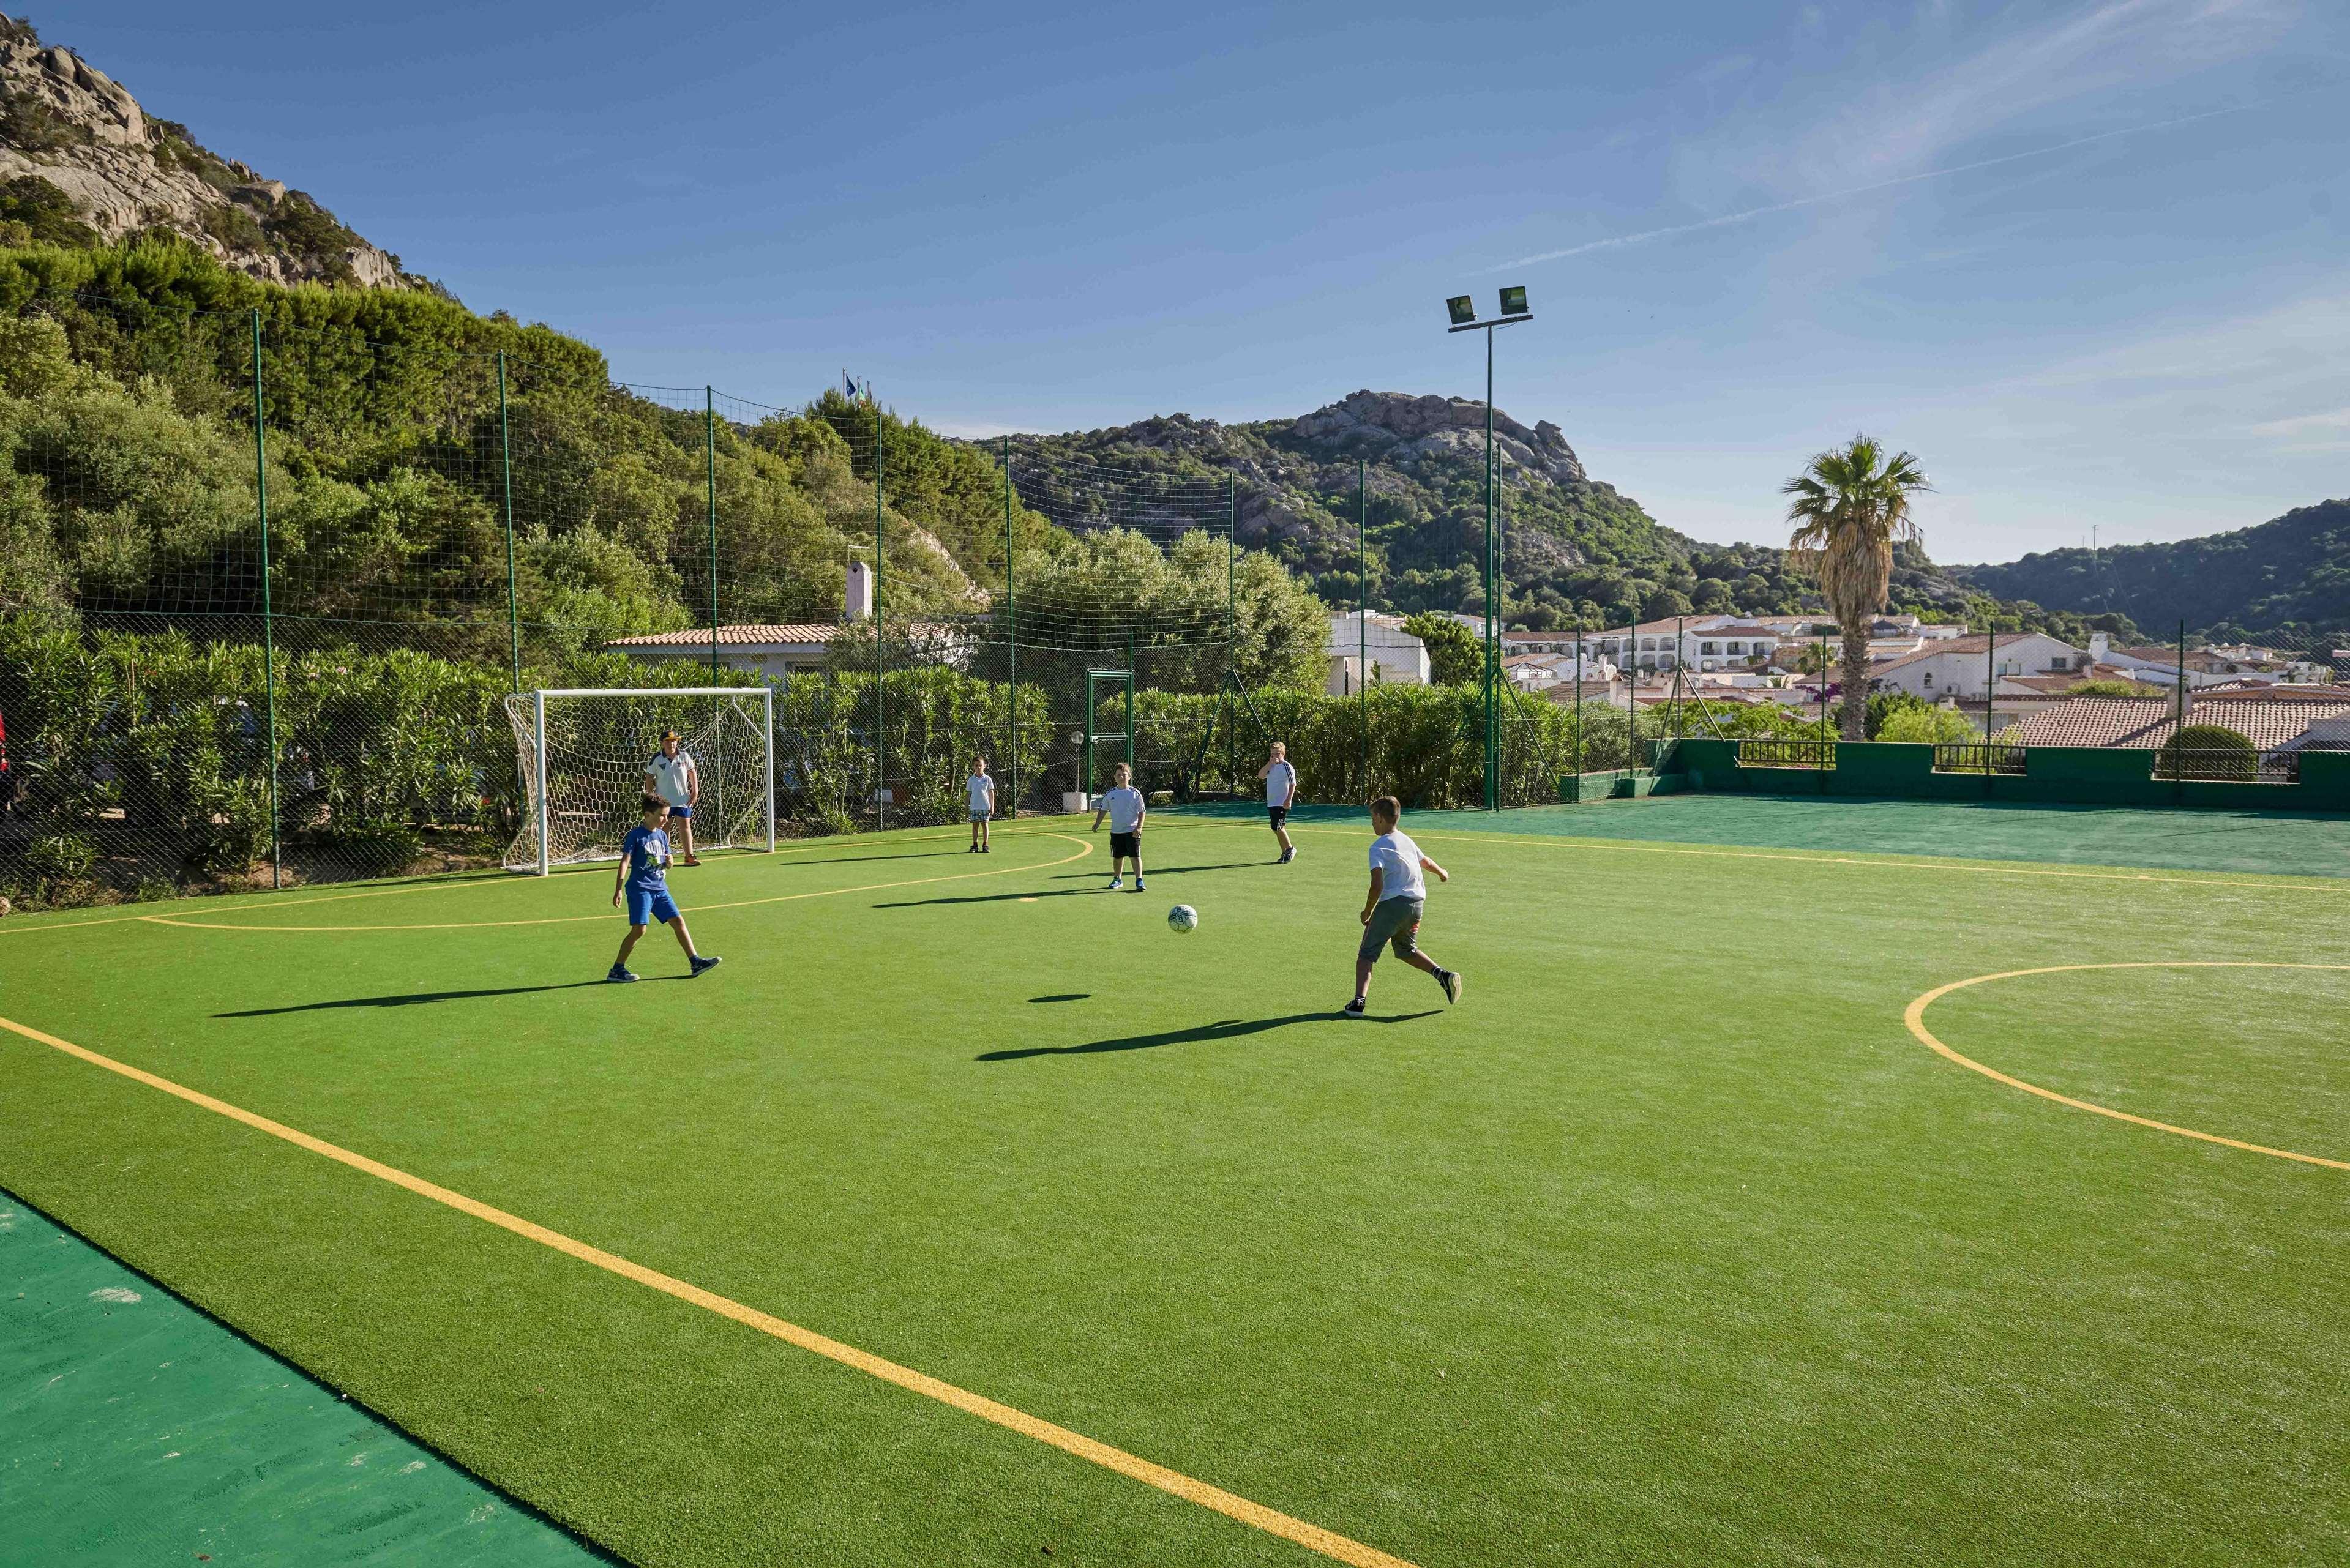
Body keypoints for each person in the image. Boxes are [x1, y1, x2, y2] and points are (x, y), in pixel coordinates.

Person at [1344, 795, 1461, 1017]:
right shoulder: (1406, 840)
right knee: (1407, 950)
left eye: (1372, 818)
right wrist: (1442, 873)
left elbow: (1377, 885)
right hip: (1417, 904)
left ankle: (1358, 1004)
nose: (1371, 823)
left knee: (1366, 954)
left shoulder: (1378, 847)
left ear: (1379, 818)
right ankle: (1443, 976)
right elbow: (1424, 861)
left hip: (1392, 904)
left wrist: (1367, 912)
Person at [610, 797, 721, 982]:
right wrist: (618, 889)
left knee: (678, 921)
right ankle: (617, 969)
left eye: (667, 816)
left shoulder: (662, 835)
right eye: (662, 816)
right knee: (639, 930)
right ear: (647, 815)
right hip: (641, 889)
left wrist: (669, 863)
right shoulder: (636, 836)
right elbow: (625, 861)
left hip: (660, 888)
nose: (665, 819)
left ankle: (696, 962)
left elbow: (664, 862)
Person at [643, 730, 702, 866]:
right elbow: (649, 776)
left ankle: (689, 857)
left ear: (677, 742)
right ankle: (664, 858)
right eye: (668, 741)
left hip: (683, 799)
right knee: (665, 827)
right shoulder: (657, 758)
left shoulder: (685, 756)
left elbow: (692, 772)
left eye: (674, 740)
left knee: (685, 825)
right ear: (662, 743)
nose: (671, 743)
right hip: (664, 802)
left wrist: (695, 791)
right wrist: (651, 795)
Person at [1090, 762, 1147, 892]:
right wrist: (1097, 824)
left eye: (1124, 775)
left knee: (1135, 856)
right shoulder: (1110, 794)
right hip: (1116, 832)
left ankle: (1139, 880)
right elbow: (1103, 809)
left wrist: (1139, 827)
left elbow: (1142, 811)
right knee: (1117, 857)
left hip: (1132, 831)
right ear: (1115, 777)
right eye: (1119, 775)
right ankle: (1118, 879)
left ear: (1130, 776)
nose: (1122, 777)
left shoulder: (1135, 793)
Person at [1257, 741, 1298, 863]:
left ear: (1283, 753)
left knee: (1277, 826)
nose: (1274, 756)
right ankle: (1285, 853)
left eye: (1277, 754)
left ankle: (1290, 849)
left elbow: (1293, 783)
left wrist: (1289, 799)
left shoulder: (1287, 766)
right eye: (1272, 754)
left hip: (1282, 803)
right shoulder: (1271, 766)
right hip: (1272, 803)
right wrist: (1270, 763)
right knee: (1276, 828)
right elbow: (1260, 775)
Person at [967, 756, 996, 853]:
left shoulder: (988, 779)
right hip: (974, 807)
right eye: (976, 766)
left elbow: (991, 793)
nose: (978, 767)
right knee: (975, 826)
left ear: (984, 766)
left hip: (985, 807)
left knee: (985, 824)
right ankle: (975, 845)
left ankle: (985, 844)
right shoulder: (971, 780)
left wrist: (992, 806)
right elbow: (968, 794)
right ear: (973, 767)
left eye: (980, 765)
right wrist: (966, 806)